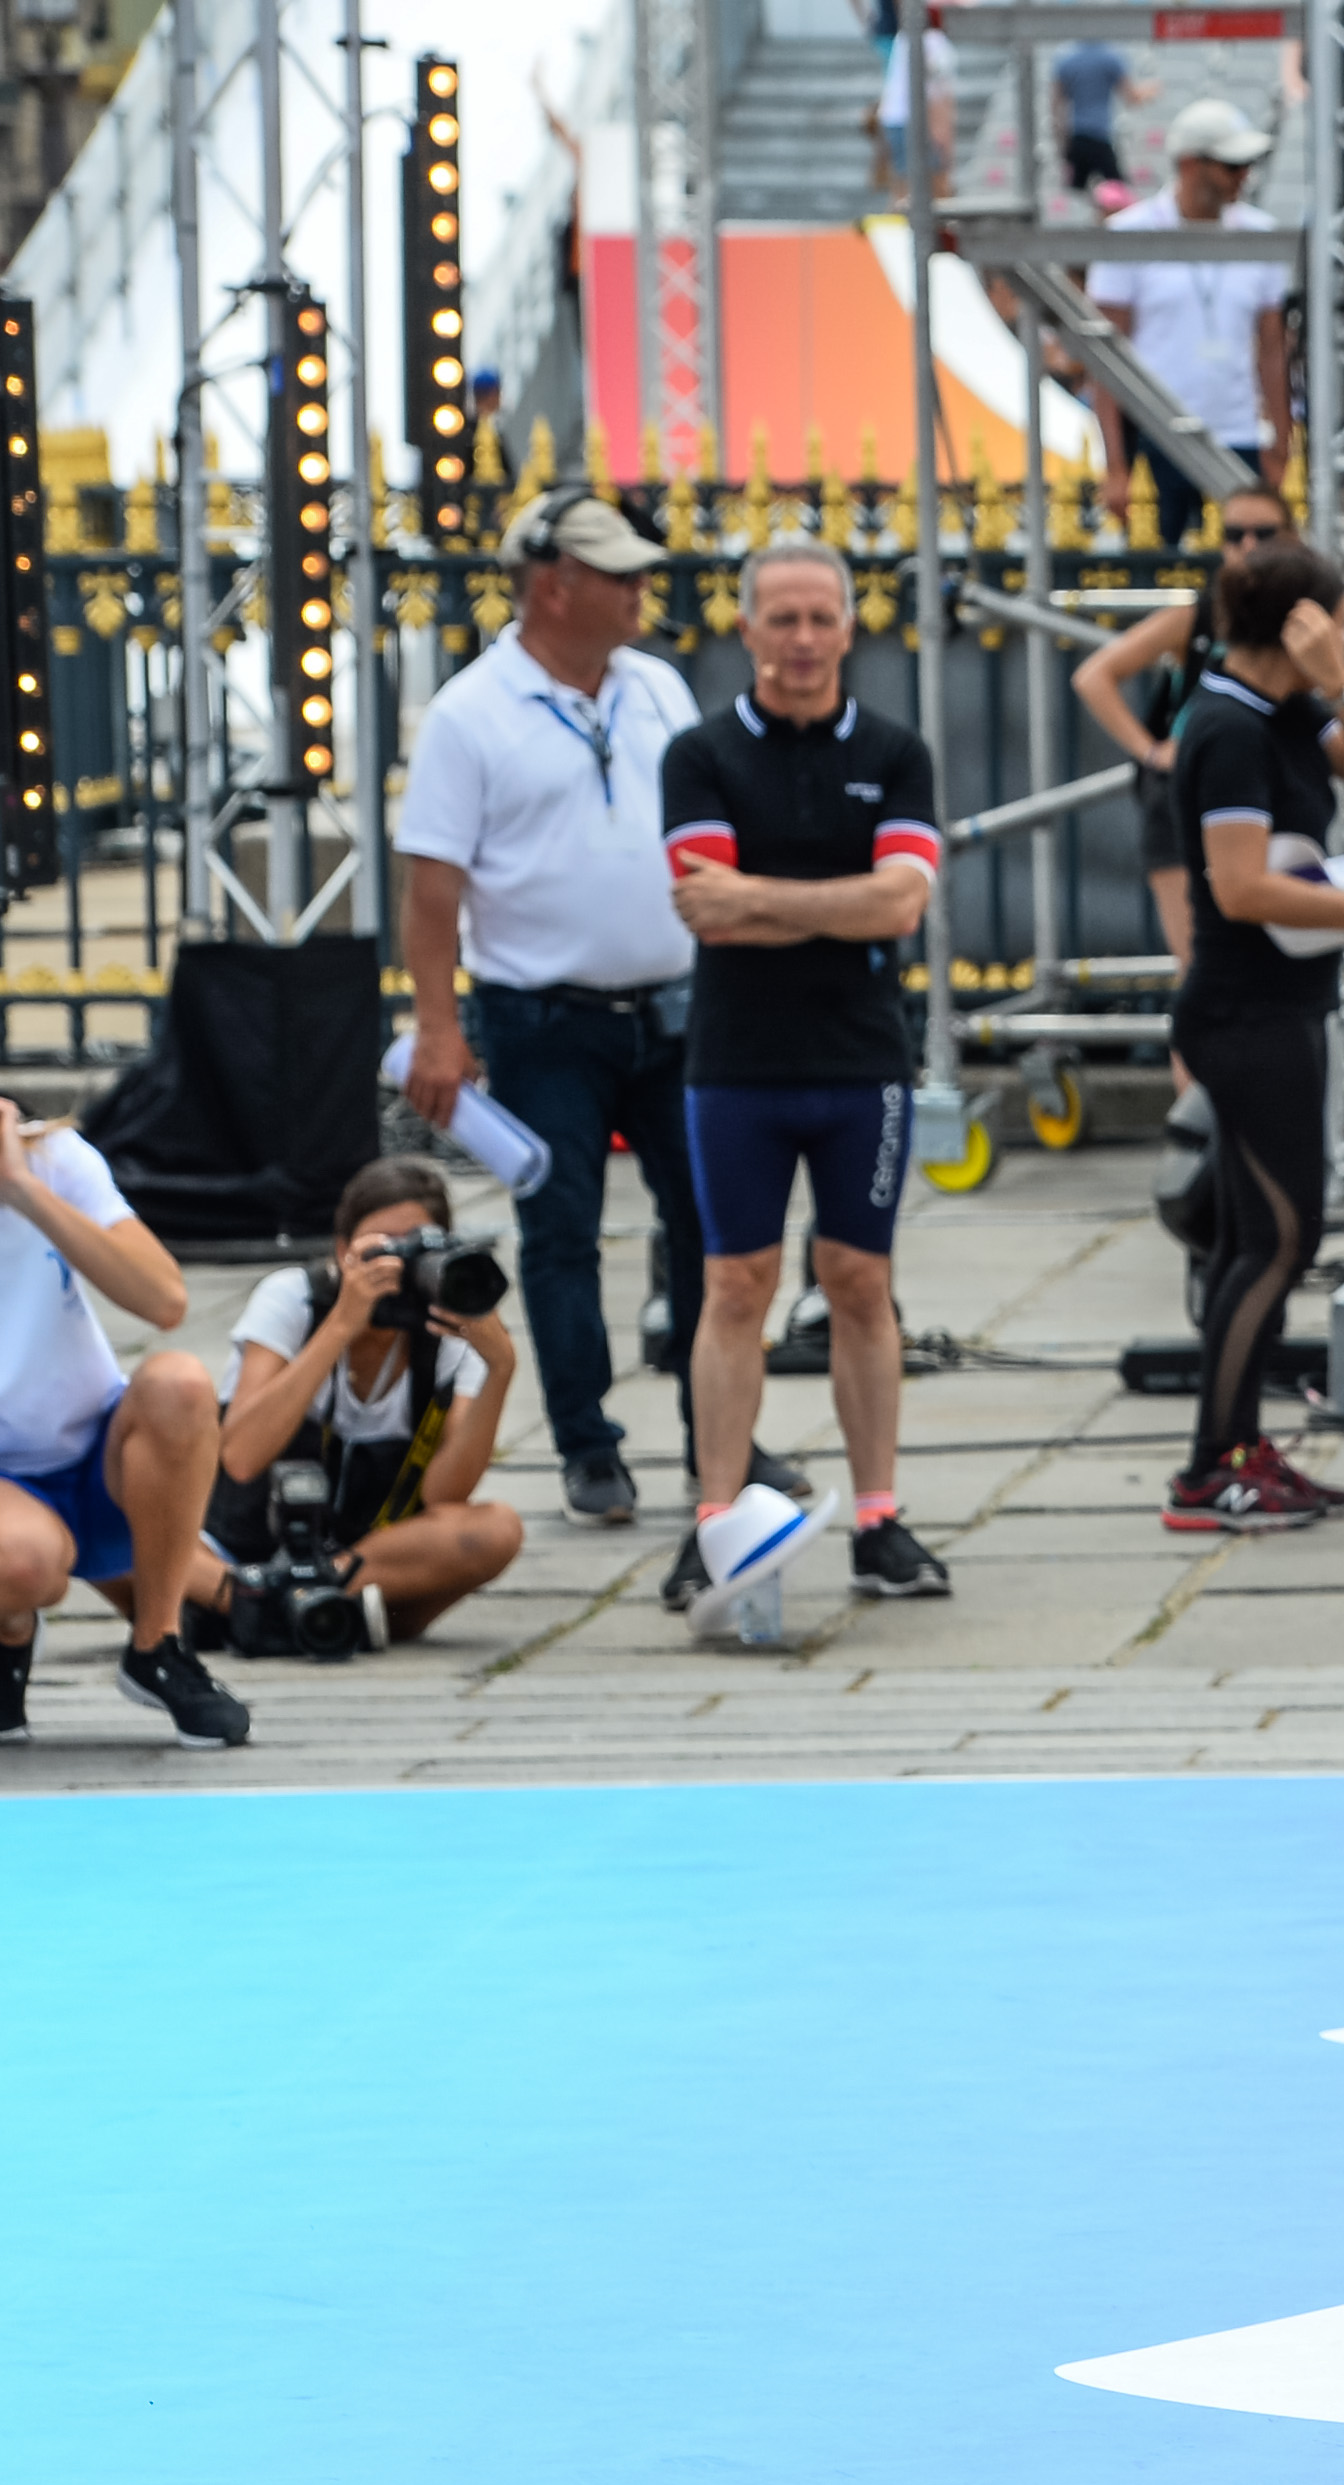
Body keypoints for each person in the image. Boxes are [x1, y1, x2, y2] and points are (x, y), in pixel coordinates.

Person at [398, 489, 794, 1532]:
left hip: (676, 1004)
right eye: (618, 576)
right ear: (551, 584)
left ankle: (725, 1437)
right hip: (541, 1012)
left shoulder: (654, 687)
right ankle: (588, 1442)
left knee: (715, 1223)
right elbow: (431, 885)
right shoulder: (470, 714)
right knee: (560, 1228)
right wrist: (439, 1025)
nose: (639, 592)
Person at [655, 538, 956, 1631]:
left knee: (860, 1283)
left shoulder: (896, 750)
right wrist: (843, 898)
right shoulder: (698, 757)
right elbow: (703, 902)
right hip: (736, 1063)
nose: (801, 640)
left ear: (847, 626)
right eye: (779, 620)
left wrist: (765, 901)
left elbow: (900, 906)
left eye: (819, 618)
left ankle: (879, 1518)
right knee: (734, 1285)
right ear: (746, 631)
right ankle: (715, 1518)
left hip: (859, 1063)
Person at [1156, 534, 1344, 1532]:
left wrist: (1340, 687)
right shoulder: (1226, 727)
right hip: (1242, 1011)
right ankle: (1205, 1470)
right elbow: (1240, 885)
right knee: (1281, 1235)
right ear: (1307, 622)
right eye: (1339, 617)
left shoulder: (1294, 710)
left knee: (1257, 1240)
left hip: (1288, 1008)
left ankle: (1241, 1447)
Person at [197, 1156, 528, 1644]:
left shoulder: (453, 1329)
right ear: (340, 1251)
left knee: (497, 1529)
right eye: (381, 1250)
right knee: (124, 1529)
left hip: (368, 1559)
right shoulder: (293, 1299)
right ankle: (299, 1608)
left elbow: (445, 1498)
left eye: (415, 1249)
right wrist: (341, 1326)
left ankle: (286, 1610)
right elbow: (242, 1457)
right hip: (243, 1552)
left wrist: (499, 1371)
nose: (397, 1268)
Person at [0, 1104, 245, 1746]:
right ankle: (9, 1633)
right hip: (9, 1498)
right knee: (22, 1564)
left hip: (102, 1466)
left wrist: (23, 1191)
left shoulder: (52, 1159)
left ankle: (157, 1646)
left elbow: (164, 1300)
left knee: (181, 1384)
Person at [1069, 479, 1299, 964]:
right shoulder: (1197, 616)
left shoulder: (1305, 620)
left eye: (1264, 533)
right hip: (1186, 798)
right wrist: (1151, 751)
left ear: (1292, 539)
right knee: (1201, 967)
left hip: (1266, 788)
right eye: (1234, 534)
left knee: (1268, 964)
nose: (1248, 546)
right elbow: (1094, 676)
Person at [1083, 99, 1291, 539]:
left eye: (1245, 166)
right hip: (1157, 437)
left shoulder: (1261, 236)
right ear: (1191, 165)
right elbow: (1106, 359)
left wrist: (1281, 442)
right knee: (1162, 574)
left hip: (1238, 434)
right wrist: (1116, 464)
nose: (1243, 177)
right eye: (1231, 166)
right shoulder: (1128, 236)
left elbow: (1273, 349)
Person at [873, 0, 954, 204]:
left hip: (895, 118)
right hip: (915, 121)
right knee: (932, 191)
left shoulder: (905, 37)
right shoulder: (932, 42)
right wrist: (943, 144)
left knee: (902, 190)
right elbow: (937, 97)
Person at [1049, 32, 1133, 206]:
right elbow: (1131, 96)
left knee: (1074, 196)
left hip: (1077, 138)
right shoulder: (1110, 58)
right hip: (1100, 136)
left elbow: (1056, 109)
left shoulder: (1066, 60)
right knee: (1120, 193)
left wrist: (1062, 146)